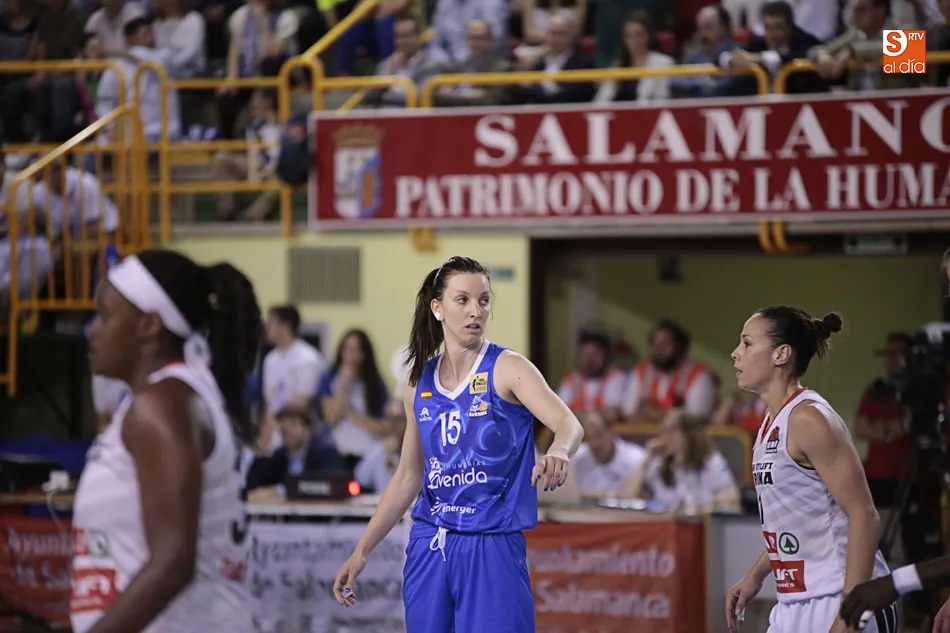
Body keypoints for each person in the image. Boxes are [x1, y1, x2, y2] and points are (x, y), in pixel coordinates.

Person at [332, 256, 584, 633]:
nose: (475, 311)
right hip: (430, 541)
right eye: (462, 300)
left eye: (483, 301)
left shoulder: (508, 367)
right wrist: (362, 549)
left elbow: (568, 423)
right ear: (438, 308)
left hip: (491, 542)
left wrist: (559, 450)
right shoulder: (418, 382)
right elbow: (408, 475)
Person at [70, 250, 260, 633]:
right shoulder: (172, 396)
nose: (92, 329)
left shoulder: (161, 406)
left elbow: (173, 561)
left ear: (149, 324)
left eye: (105, 315)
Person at [725, 307, 897, 633]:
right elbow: (800, 520)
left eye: (747, 343)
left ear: (781, 354)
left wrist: (850, 614)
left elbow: (863, 514)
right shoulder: (770, 422)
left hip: (842, 594)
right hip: (795, 600)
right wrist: (756, 574)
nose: (736, 353)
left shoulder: (809, 418)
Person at [840, 248, 950, 631]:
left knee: (910, 548)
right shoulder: (879, 390)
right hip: (882, 482)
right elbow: (863, 428)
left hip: (915, 481)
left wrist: (895, 583)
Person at [622, 410, 739, 512]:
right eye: (664, 431)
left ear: (690, 434)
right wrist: (646, 461)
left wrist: (702, 506)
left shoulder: (711, 462)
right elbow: (626, 497)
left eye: (673, 431)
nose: (667, 437)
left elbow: (732, 498)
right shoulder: (658, 465)